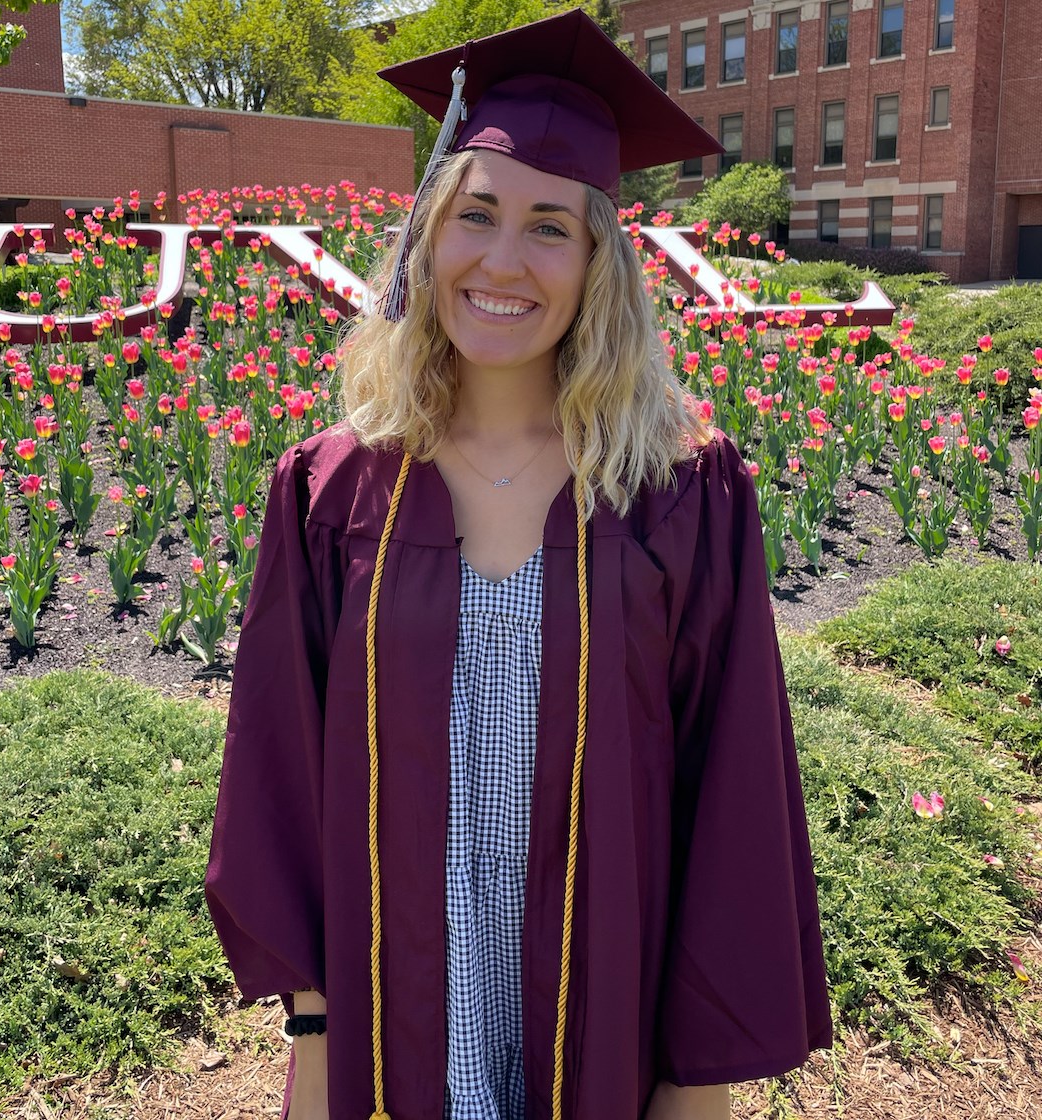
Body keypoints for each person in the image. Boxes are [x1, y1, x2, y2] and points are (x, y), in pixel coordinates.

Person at [205, 11, 831, 1120]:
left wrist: (694, 1092)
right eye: (475, 215)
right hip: (387, 1041)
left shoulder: (681, 494)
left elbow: (727, 795)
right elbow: (281, 782)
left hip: (609, 1032)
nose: (502, 260)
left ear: (598, 262)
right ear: (425, 236)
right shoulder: (331, 491)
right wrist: (310, 1043)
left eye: (550, 227)